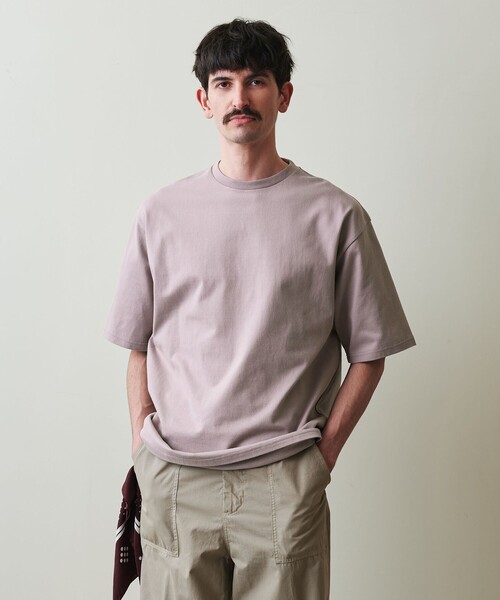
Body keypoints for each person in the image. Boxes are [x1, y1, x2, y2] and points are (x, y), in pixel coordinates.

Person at [104, 17, 416, 600]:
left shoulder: (336, 216)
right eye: (223, 83)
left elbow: (371, 352)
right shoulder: (160, 214)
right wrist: (143, 450)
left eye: (256, 81)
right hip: (177, 478)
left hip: (283, 479)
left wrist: (321, 459)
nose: (239, 98)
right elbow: (137, 343)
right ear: (204, 101)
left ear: (284, 95)